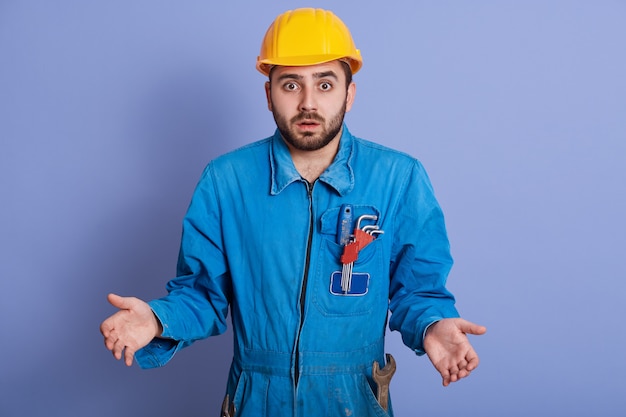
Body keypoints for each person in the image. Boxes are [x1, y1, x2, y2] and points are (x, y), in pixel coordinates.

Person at [100, 8, 486, 416]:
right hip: (256, 402)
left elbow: (419, 290)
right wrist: (159, 319)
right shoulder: (225, 181)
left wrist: (434, 324)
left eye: (324, 84)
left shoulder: (399, 178)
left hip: (355, 402)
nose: (308, 103)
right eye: (290, 85)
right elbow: (201, 294)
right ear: (268, 94)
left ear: (349, 94)